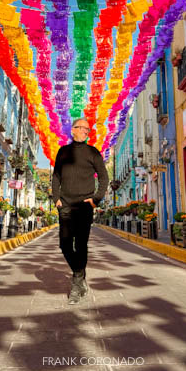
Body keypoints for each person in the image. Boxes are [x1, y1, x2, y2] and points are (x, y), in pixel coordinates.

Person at [52, 117, 109, 304]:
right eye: (82, 128)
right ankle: (79, 274)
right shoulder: (63, 152)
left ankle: (77, 285)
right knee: (65, 243)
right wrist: (56, 199)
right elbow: (56, 177)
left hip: (84, 205)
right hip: (66, 204)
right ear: (73, 130)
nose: (86, 131)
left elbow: (104, 177)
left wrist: (95, 200)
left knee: (81, 244)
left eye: (88, 129)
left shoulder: (93, 152)